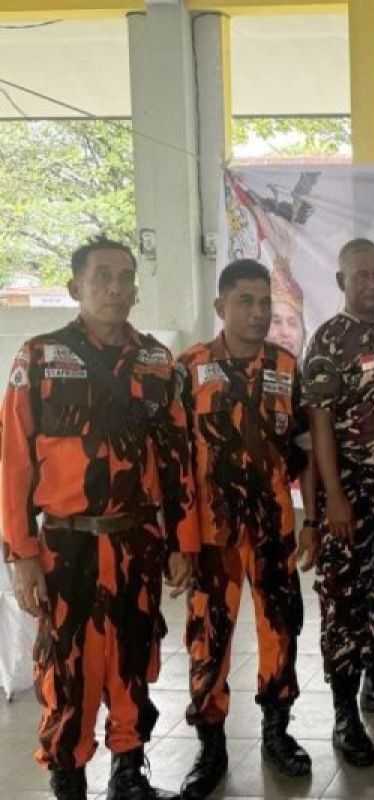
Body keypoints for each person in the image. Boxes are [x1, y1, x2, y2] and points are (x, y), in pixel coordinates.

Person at [0, 237, 198, 800]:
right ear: (74, 288)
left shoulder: (158, 362)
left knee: (134, 657)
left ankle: (129, 772)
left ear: (136, 288)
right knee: (69, 668)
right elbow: (14, 463)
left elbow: (178, 461)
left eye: (126, 277)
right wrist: (21, 555)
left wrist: (183, 542)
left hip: (138, 539)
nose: (116, 287)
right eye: (102, 276)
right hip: (67, 547)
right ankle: (69, 776)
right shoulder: (38, 358)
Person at [175, 259, 316, 798]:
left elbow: (302, 447)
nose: (257, 313)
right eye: (245, 302)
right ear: (221, 307)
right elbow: (174, 463)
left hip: (274, 530)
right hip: (212, 537)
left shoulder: (285, 365)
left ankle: (277, 732)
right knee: (208, 640)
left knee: (280, 631)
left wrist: (313, 519)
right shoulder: (188, 368)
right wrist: (179, 542)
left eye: (264, 303)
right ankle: (210, 745)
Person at [302, 238, 374, 767]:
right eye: (362, 275)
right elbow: (319, 428)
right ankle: (345, 713)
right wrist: (334, 501)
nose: (373, 283)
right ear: (342, 281)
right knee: (343, 604)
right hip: (349, 495)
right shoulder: (326, 342)